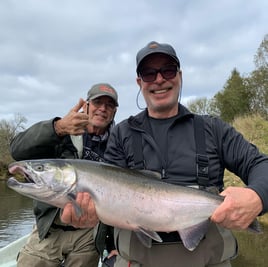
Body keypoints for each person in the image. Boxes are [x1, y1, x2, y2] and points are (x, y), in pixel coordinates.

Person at [60, 41, 268, 267]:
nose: (159, 79)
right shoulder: (122, 134)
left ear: (179, 75)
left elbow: (260, 164)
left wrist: (258, 196)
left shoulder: (213, 129)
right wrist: (89, 217)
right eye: (149, 73)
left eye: (167, 70)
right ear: (139, 82)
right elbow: (108, 195)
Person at [10, 83, 119, 267]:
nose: (103, 109)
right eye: (98, 102)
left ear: (114, 112)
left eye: (109, 105)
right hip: (50, 229)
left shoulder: (119, 145)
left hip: (89, 234)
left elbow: (121, 200)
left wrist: (112, 244)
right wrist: (57, 128)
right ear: (86, 106)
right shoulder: (63, 132)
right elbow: (17, 150)